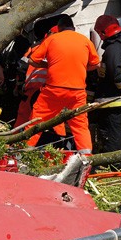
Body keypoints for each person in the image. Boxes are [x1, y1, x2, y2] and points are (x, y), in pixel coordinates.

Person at [25, 15, 100, 154]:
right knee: (80, 126)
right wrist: (82, 67)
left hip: (54, 90)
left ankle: (23, 154)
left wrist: (49, 65)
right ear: (73, 28)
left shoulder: (52, 39)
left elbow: (32, 61)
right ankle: (86, 159)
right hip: (77, 92)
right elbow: (95, 64)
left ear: (59, 28)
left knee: (36, 122)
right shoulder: (85, 40)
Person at [90, 14, 121, 153]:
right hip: (120, 98)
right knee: (115, 132)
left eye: (99, 33)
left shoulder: (112, 49)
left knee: (111, 134)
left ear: (104, 32)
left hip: (113, 99)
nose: (99, 36)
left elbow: (117, 75)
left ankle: (114, 164)